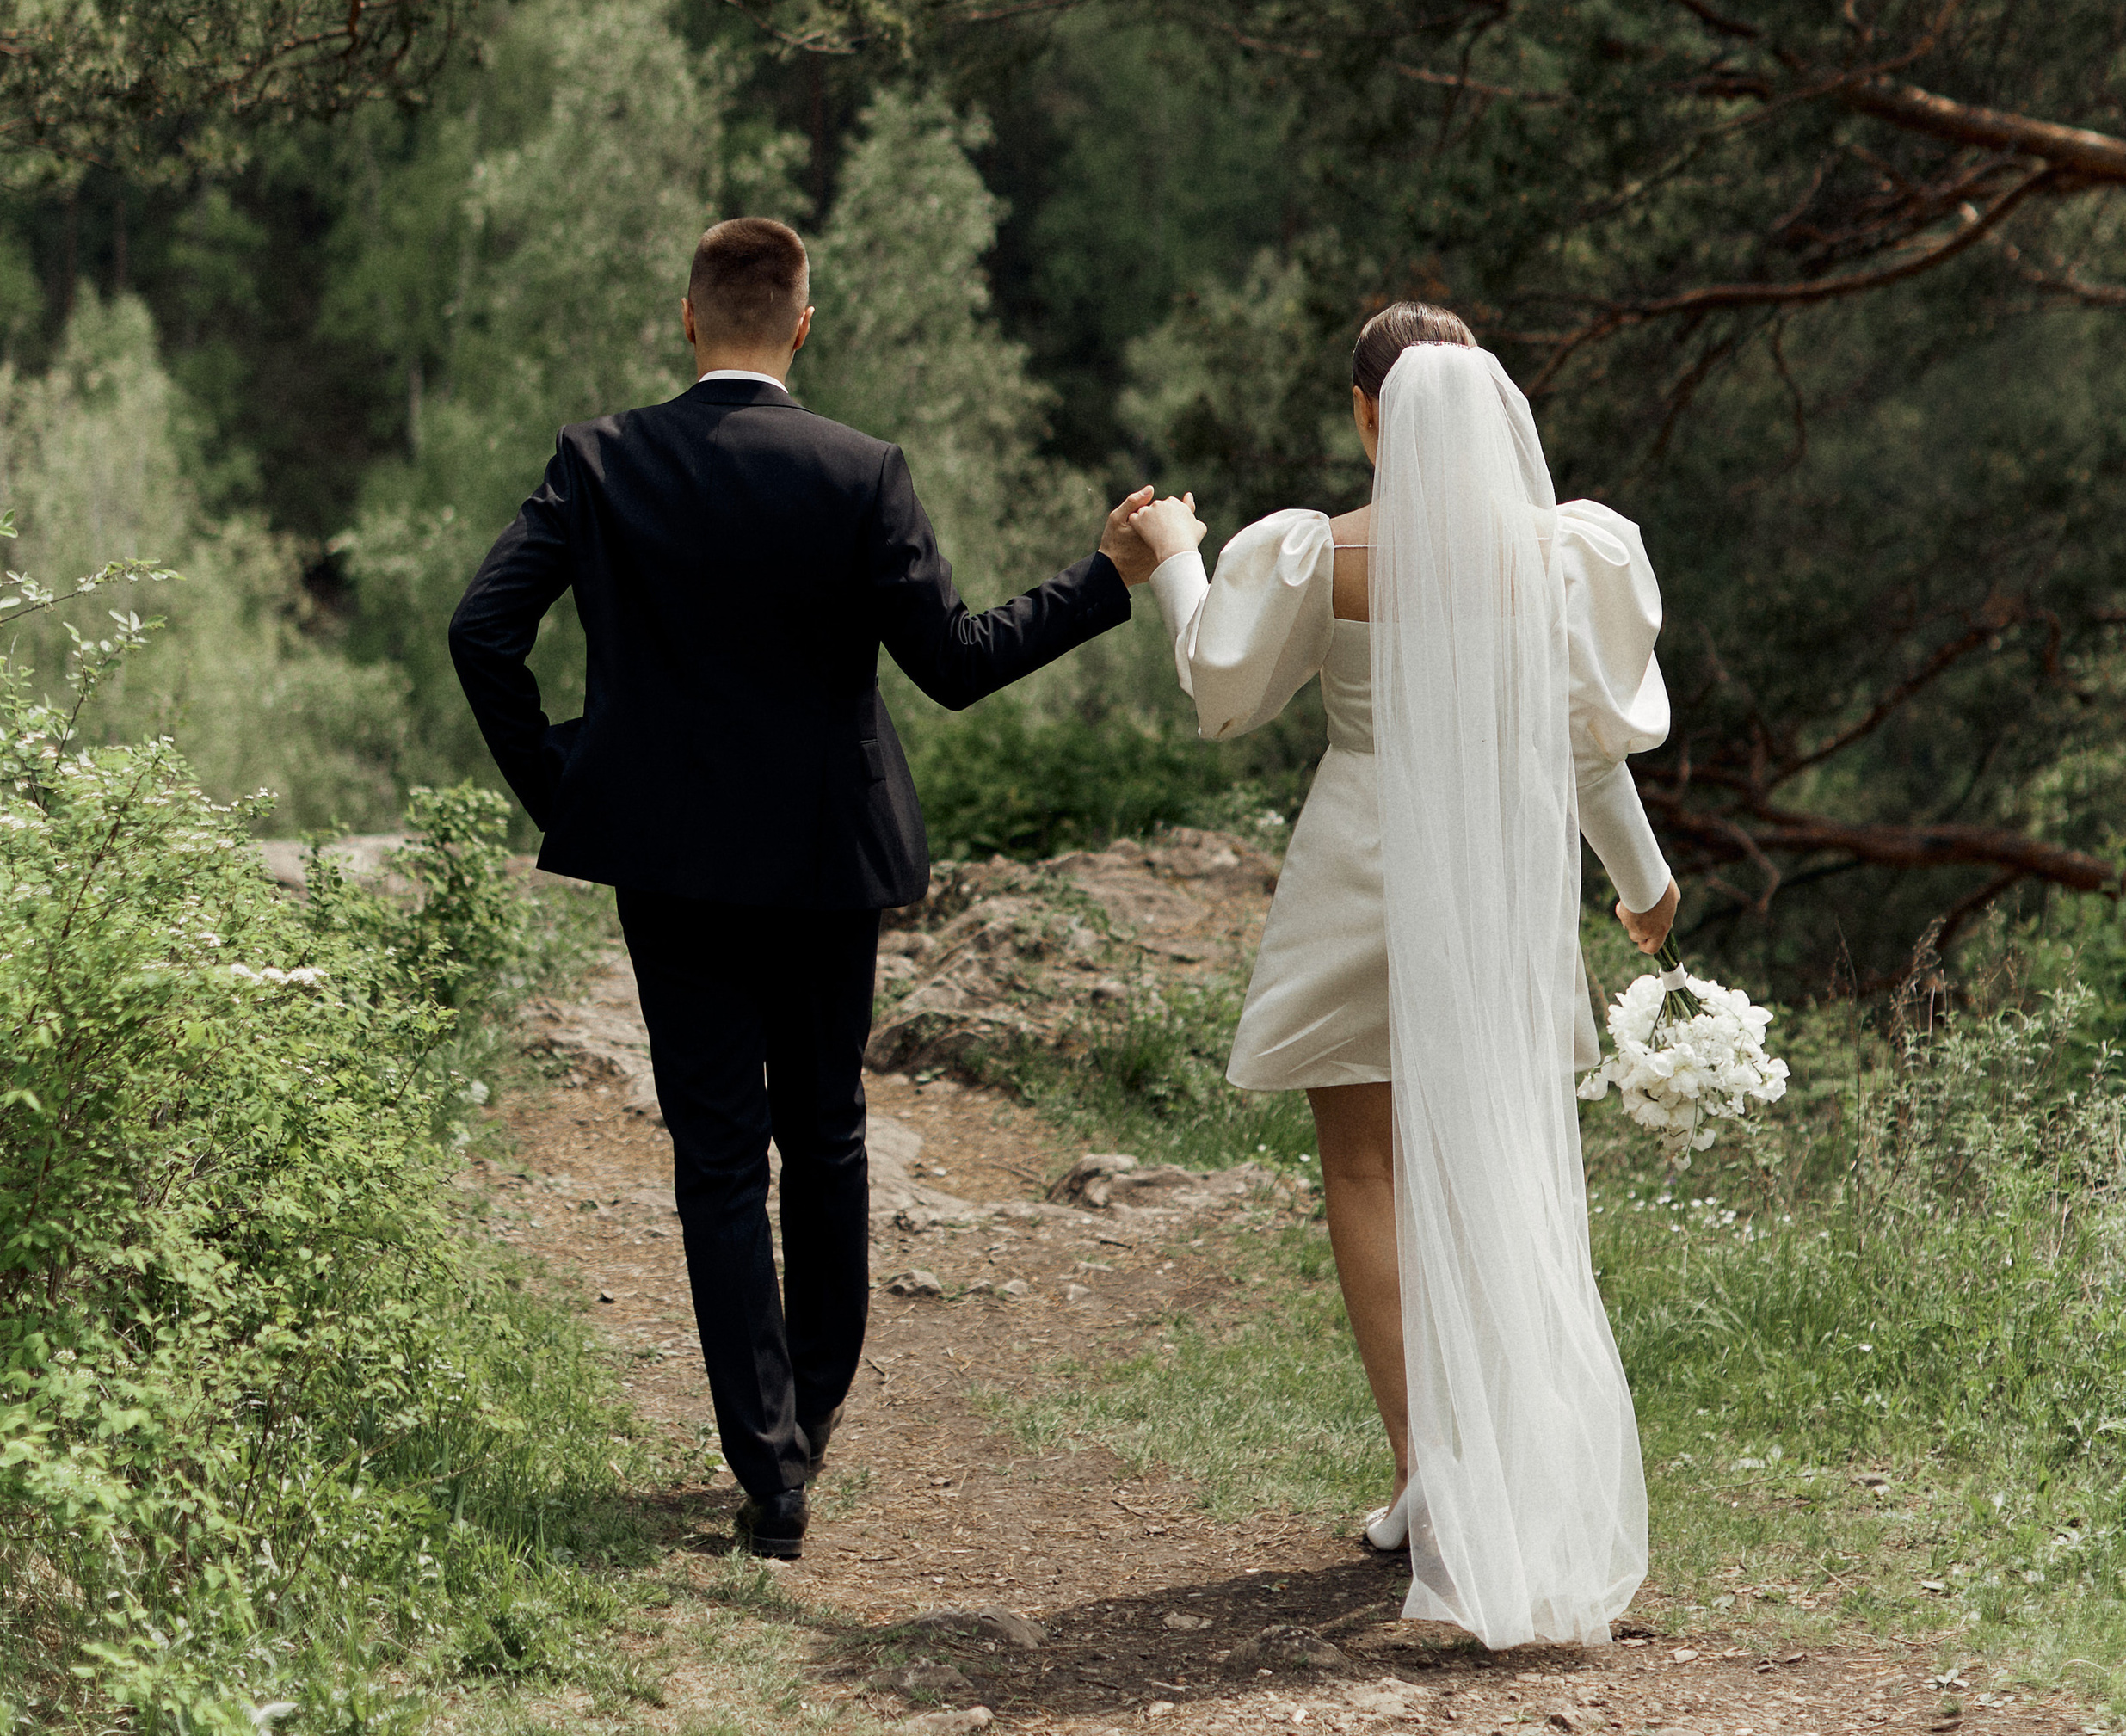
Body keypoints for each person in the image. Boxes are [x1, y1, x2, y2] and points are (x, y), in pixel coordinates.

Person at [447, 213, 1160, 1562]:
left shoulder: (600, 462)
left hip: (668, 865)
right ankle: (810, 1422)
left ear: (687, 316)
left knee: (716, 1157)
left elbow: (480, 631)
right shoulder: (860, 471)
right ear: (802, 325)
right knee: (823, 1135)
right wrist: (1104, 581)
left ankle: (771, 1473)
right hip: (830, 863)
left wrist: (573, 787)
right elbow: (950, 663)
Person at [1125, 300, 1679, 1649]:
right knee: (1495, 1160)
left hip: (1367, 869)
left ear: (1368, 413)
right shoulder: (1558, 558)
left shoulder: (1320, 557)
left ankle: (1426, 1469)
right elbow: (1584, 742)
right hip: (1494, 875)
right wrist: (1643, 880)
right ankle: (1501, 1476)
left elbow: (1220, 691)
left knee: (1366, 1169)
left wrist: (1175, 559)